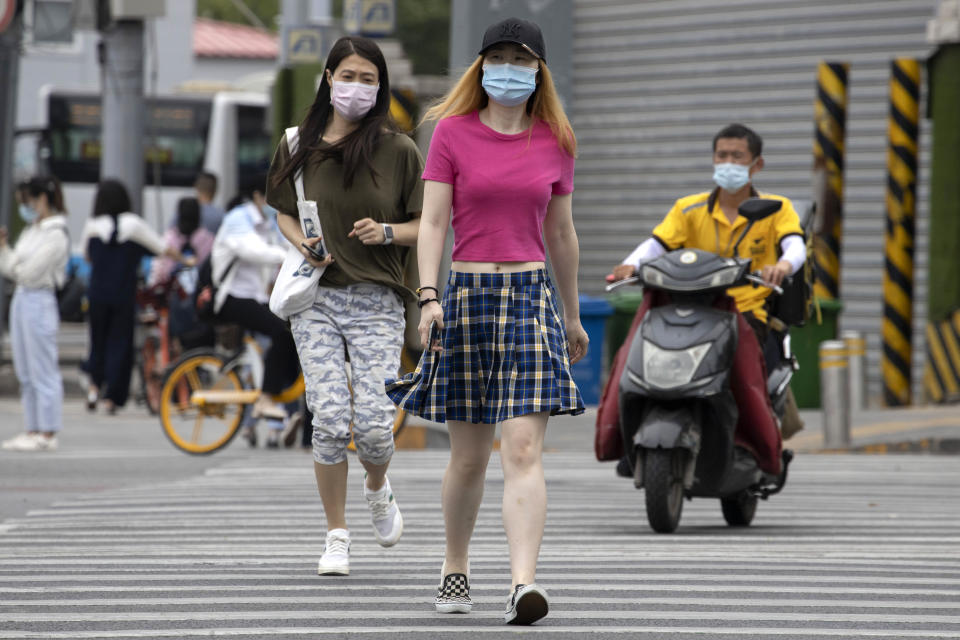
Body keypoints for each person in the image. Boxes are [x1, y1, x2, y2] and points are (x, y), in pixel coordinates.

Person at [383, 18, 587, 626]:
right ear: (480, 66)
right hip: (466, 295)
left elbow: (561, 233)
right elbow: (436, 224)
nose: (507, 68)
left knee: (522, 450)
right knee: (469, 457)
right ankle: (455, 567)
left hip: (530, 297)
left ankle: (523, 584)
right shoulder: (451, 133)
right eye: (496, 57)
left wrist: (572, 316)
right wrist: (427, 297)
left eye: (520, 60)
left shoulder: (556, 139)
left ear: (538, 72)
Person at [266, 34, 424, 577]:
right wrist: (299, 242)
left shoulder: (399, 150)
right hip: (317, 298)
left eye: (367, 78)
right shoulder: (296, 143)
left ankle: (377, 487)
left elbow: (427, 227)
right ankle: (337, 534)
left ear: (379, 87)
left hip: (378, 300)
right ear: (328, 77)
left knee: (376, 427)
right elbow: (284, 210)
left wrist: (386, 231)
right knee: (330, 420)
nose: (356, 87)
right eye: (347, 75)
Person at [609, 123, 807, 469]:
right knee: (637, 356)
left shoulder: (777, 208)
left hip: (746, 313)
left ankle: (754, 447)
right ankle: (629, 440)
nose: (728, 162)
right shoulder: (689, 208)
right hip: (689, 308)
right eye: (722, 155)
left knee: (747, 375)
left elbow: (795, 244)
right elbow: (657, 244)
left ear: (756, 165)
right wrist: (630, 265)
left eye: (737, 156)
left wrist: (784, 266)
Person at [82, 179, 190, 414]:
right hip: (123, 294)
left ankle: (93, 388)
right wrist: (187, 260)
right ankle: (112, 398)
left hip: (97, 292)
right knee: (120, 343)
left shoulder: (92, 225)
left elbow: (87, 257)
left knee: (97, 341)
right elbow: (163, 248)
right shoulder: (134, 225)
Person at [211, 177, 299, 447]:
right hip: (233, 297)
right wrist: (295, 255)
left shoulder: (268, 223)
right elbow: (254, 251)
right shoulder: (239, 218)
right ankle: (265, 399)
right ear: (259, 196)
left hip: (258, 298)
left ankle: (278, 404)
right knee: (280, 332)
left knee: (290, 336)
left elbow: (284, 246)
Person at [0, 176, 70, 451]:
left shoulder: (56, 233)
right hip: (21, 297)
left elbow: (28, 272)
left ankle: (48, 431)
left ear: (41, 199)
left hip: (40, 298)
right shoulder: (32, 231)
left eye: (27, 201)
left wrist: (11, 261)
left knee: (43, 366)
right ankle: (32, 428)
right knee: (25, 369)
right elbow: (12, 266)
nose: (25, 208)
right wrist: (5, 251)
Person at [149, 197, 215, 350]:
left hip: (173, 302)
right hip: (200, 304)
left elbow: (159, 272)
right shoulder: (207, 239)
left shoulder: (169, 239)